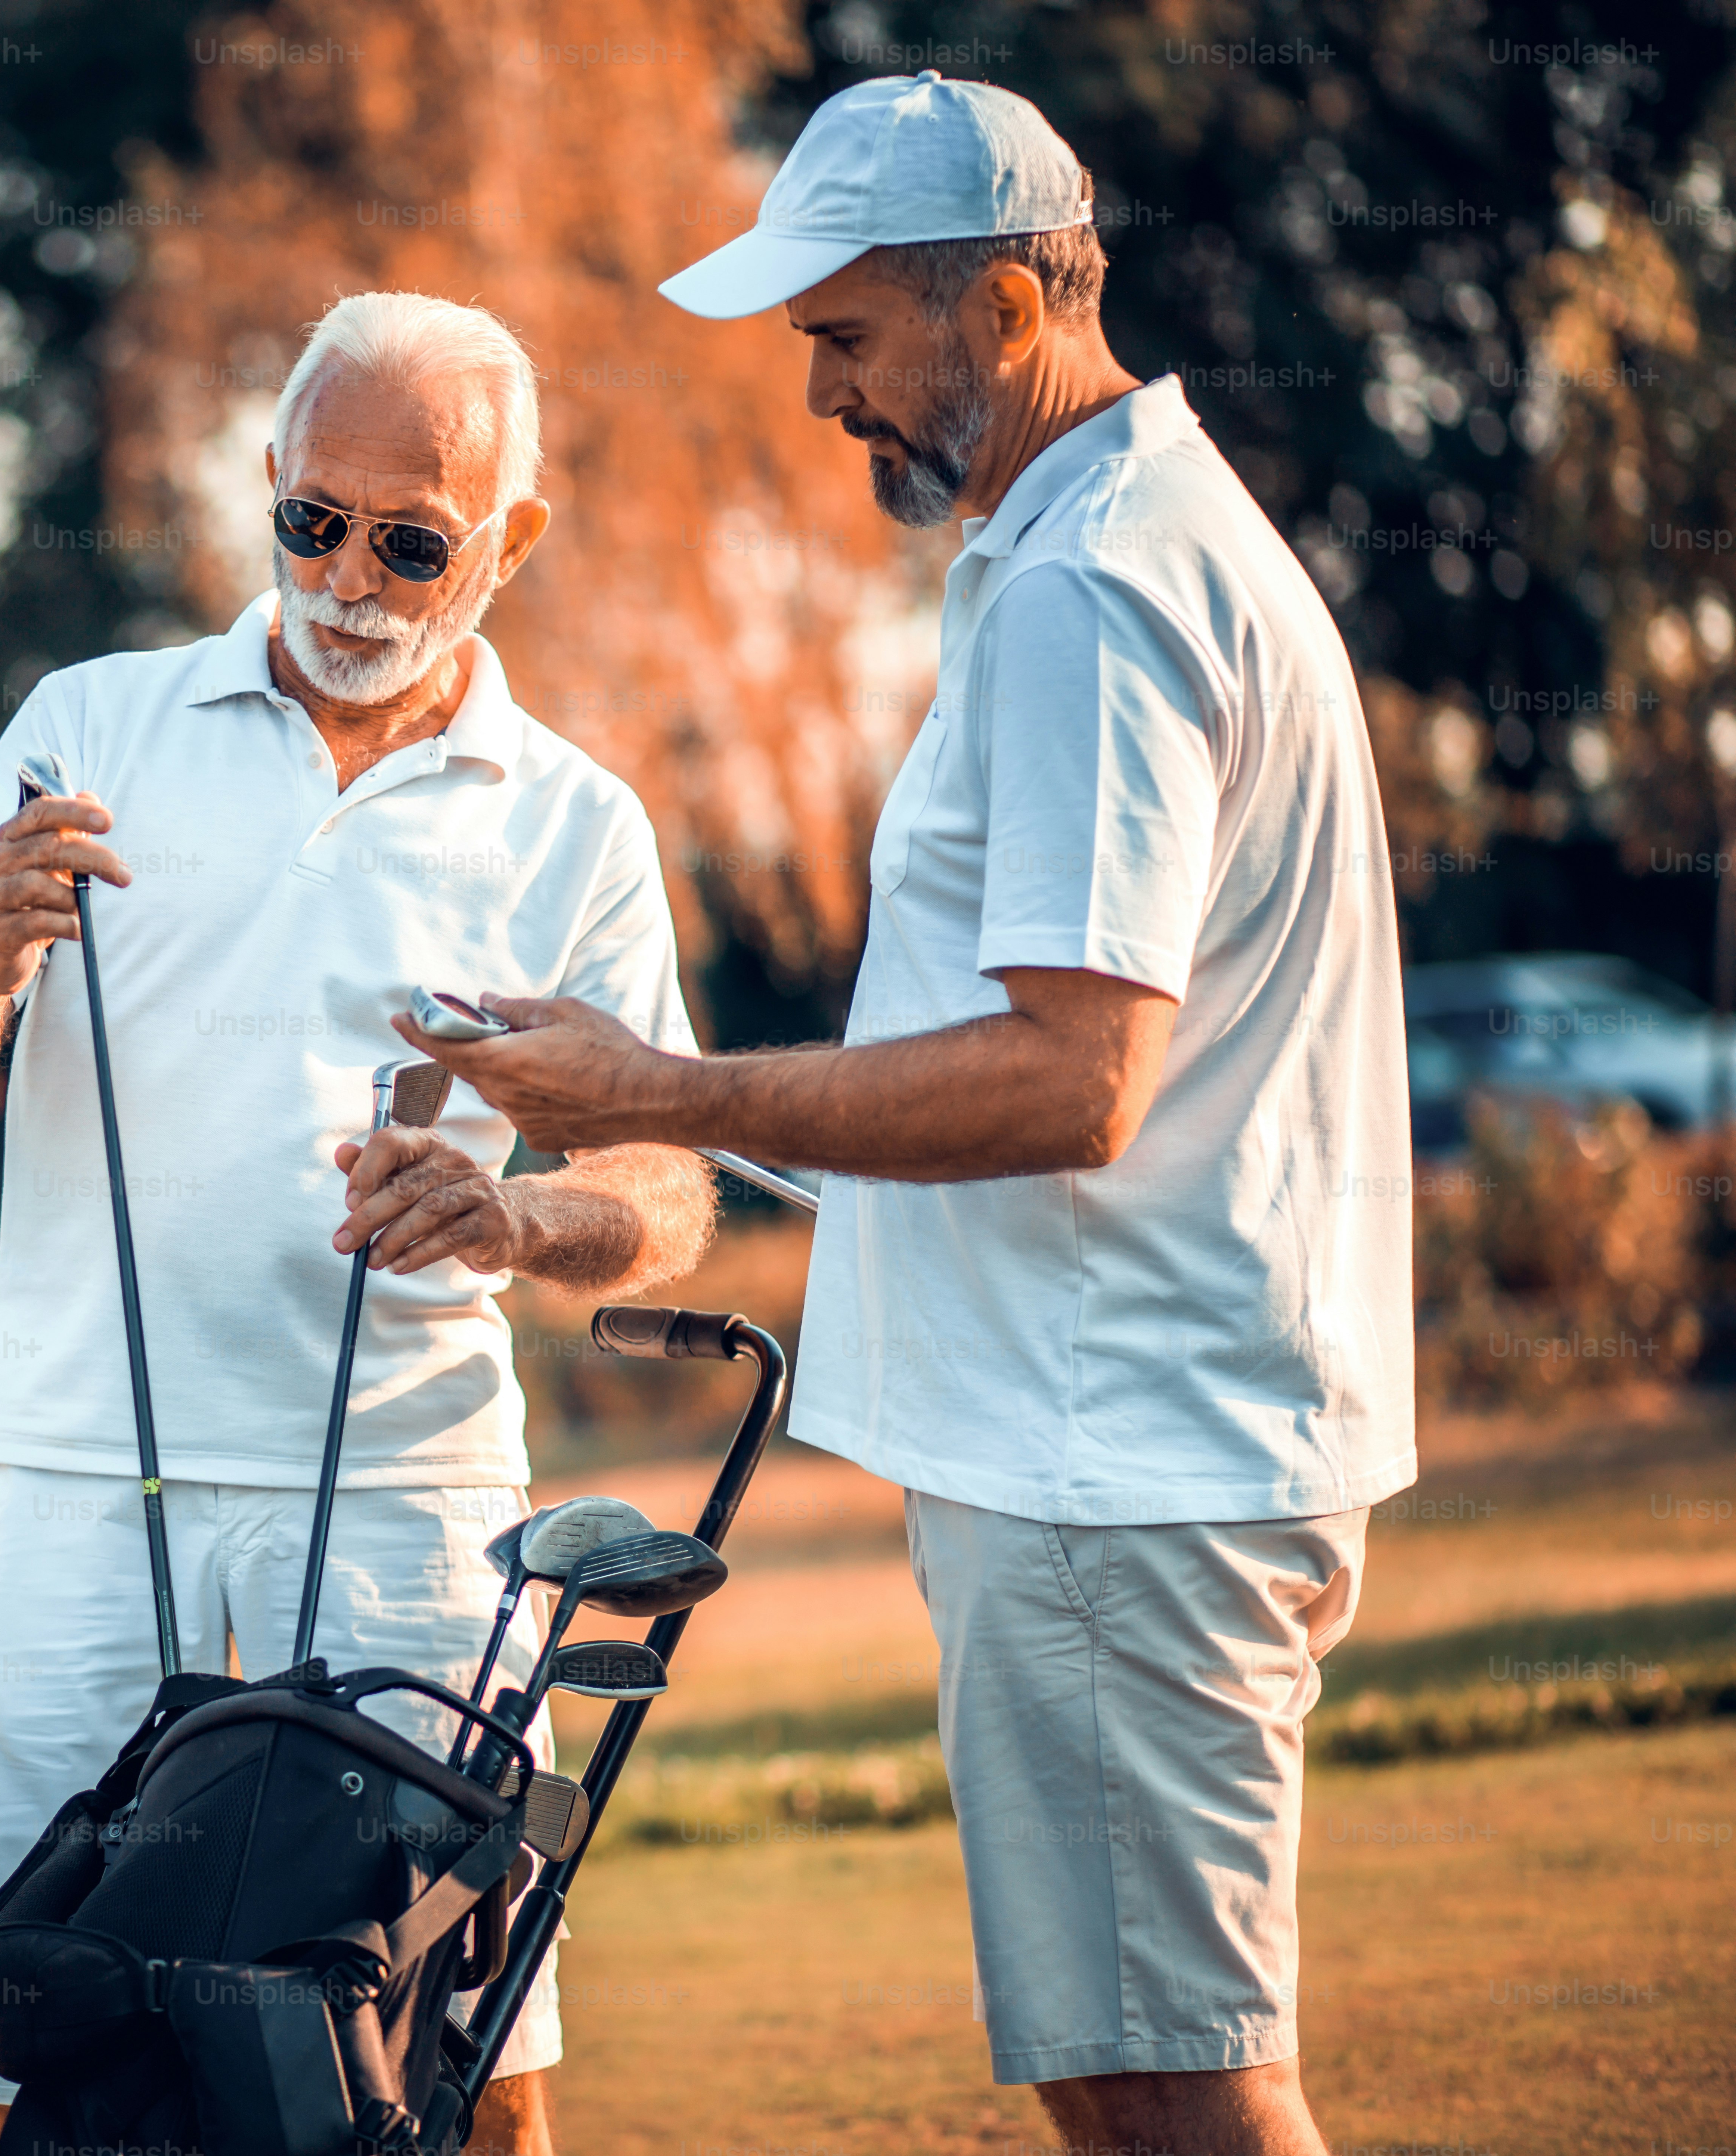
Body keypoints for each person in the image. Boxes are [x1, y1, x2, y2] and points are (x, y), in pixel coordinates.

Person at [405, 74, 1414, 2156]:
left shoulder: (1091, 596)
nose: (821, 402)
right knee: (1142, 2073)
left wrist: (657, 1093)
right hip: (1142, 1449)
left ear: (1020, 305)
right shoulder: (1120, 548)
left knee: (1175, 2094)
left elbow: (1073, 1079)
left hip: (1116, 1464)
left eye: (847, 339)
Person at [0, 291, 719, 2156]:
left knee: (460, 2026)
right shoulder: (88, 725)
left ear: (512, 541)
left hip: (416, 1500)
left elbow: (662, 1195)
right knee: (46, 2014)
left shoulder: (575, 822)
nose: (346, 575)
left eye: (410, 542)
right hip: (71, 1471)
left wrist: (506, 1213)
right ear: (263, 484)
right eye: (308, 520)